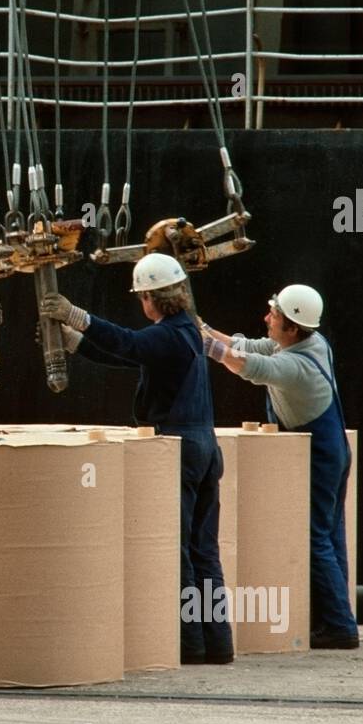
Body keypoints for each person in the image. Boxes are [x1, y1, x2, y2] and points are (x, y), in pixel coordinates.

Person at [40, 253, 233, 664]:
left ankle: (191, 645)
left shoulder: (170, 335)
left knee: (179, 550)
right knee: (204, 551)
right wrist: (79, 344)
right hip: (205, 448)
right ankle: (218, 643)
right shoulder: (186, 333)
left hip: (179, 448)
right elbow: (132, 354)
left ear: (150, 299)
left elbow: (129, 342)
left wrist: (77, 317)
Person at [202, 284, 359, 649]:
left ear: (291, 327)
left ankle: (340, 628)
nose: (266, 318)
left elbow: (249, 364)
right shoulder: (307, 342)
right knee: (329, 535)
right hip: (333, 450)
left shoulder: (295, 365)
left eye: (273, 315)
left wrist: (205, 345)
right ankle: (337, 619)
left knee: (315, 538)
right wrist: (203, 327)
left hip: (322, 455)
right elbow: (253, 346)